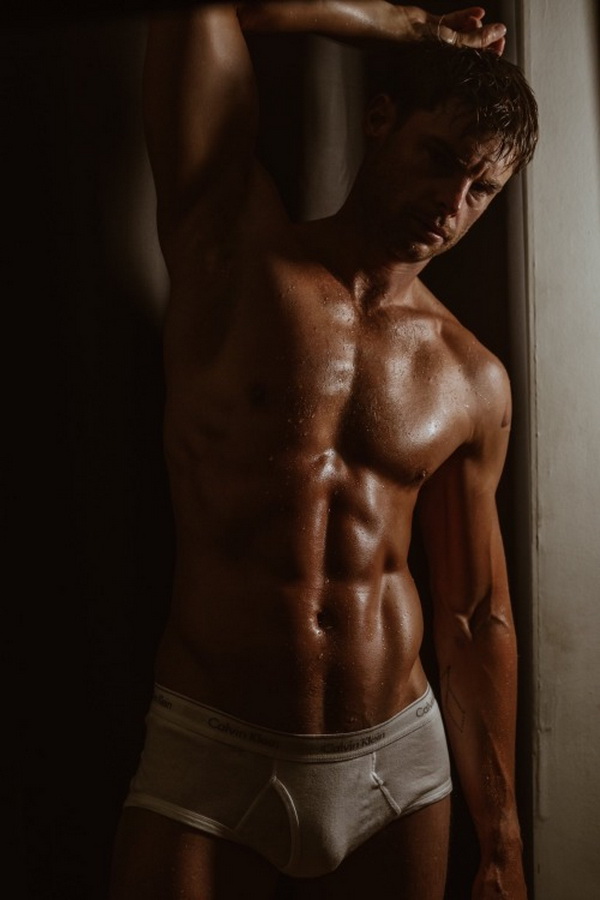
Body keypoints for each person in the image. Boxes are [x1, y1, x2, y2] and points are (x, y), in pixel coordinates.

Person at [109, 2, 538, 898]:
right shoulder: (233, 258)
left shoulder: (472, 379)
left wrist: (502, 842)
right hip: (213, 750)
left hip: (398, 768)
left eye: (482, 189)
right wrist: (400, 27)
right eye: (439, 158)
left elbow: (474, 615)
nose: (451, 206)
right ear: (380, 119)